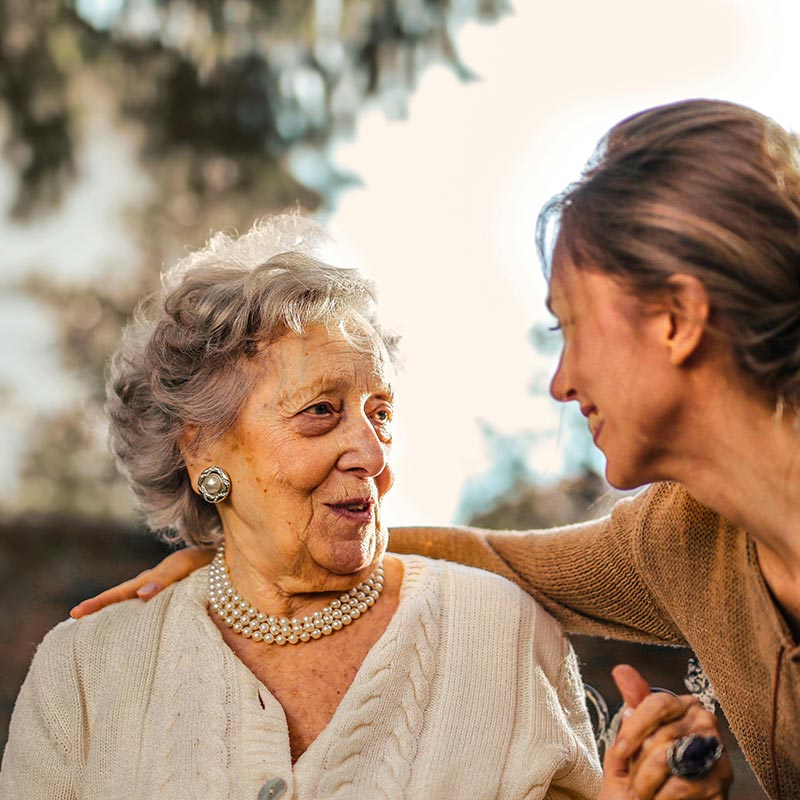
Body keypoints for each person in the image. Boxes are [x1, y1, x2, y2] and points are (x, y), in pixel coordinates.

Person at [79, 98, 800, 800]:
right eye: (321, 413)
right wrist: (249, 548)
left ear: (676, 319)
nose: (561, 381)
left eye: (569, 327)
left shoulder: (644, 566)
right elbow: (499, 560)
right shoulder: (685, 543)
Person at [3, 214, 725, 800]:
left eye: (379, 413)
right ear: (202, 452)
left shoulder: (497, 632)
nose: (372, 454)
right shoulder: (88, 670)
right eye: (321, 411)